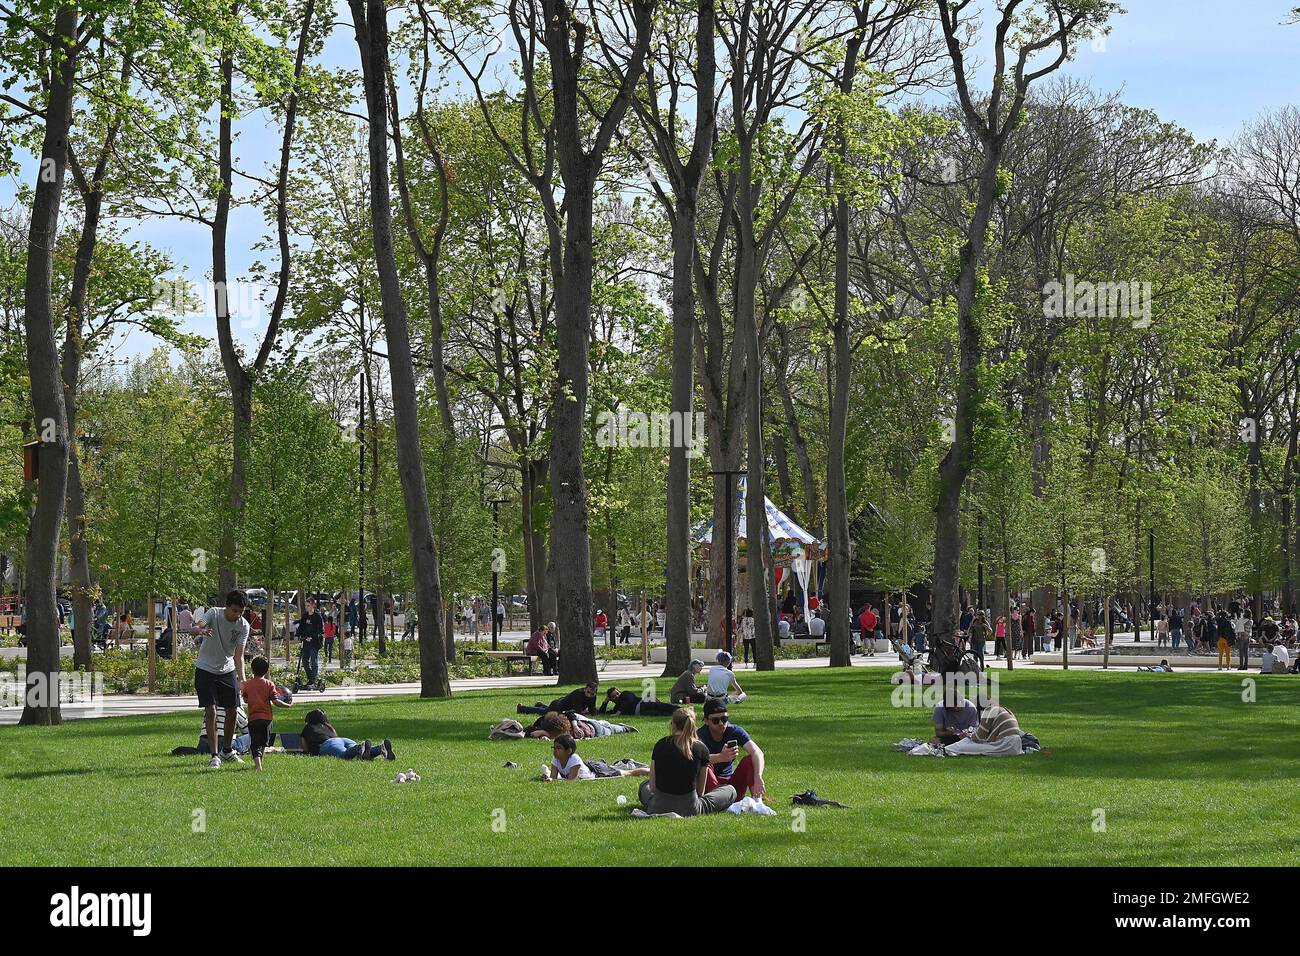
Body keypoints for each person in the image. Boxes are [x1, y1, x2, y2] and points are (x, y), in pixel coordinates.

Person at [191, 590, 251, 769]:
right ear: (226, 606)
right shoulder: (214, 613)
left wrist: (242, 680)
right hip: (205, 669)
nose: (237, 615)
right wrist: (200, 630)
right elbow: (196, 626)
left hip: (227, 670)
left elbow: (239, 655)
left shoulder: (243, 625)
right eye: (234, 610)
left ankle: (227, 751)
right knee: (211, 711)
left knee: (233, 710)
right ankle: (214, 755)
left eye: (240, 612)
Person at [636, 709, 736, 816]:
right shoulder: (702, 749)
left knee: (644, 786)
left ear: (673, 724)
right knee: (730, 790)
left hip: (658, 807)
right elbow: (700, 792)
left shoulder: (660, 744)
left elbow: (652, 787)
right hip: (690, 808)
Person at [699, 699, 766, 800]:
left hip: (731, 787)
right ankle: (718, 801)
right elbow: (694, 760)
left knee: (749, 760)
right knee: (705, 765)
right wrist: (720, 757)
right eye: (716, 720)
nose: (721, 723)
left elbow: (757, 752)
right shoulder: (699, 736)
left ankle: (757, 801)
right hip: (710, 789)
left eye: (724, 719)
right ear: (706, 721)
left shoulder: (734, 731)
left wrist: (758, 776)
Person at [241, 655, 292, 770]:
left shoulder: (248, 684)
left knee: (255, 743)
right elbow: (275, 701)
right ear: (267, 670)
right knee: (264, 742)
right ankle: (260, 763)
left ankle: (258, 765)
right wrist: (287, 705)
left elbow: (245, 699)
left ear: (252, 670)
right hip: (266, 719)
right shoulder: (269, 684)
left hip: (253, 718)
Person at [301, 707, 394, 760]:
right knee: (360, 753)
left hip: (328, 744)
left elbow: (305, 747)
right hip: (343, 740)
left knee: (344, 755)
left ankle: (359, 748)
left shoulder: (308, 727)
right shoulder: (329, 726)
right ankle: (380, 748)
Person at [517, 681, 598, 715]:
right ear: (585, 689)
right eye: (588, 692)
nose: (590, 695)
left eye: (592, 694)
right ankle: (522, 709)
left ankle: (540, 705)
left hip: (562, 705)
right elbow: (578, 711)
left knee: (546, 710)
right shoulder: (578, 694)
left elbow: (592, 709)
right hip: (558, 705)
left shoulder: (593, 697)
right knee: (544, 712)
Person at [598, 686, 678, 717]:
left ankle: (682, 710)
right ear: (611, 699)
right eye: (613, 696)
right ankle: (678, 716)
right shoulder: (617, 707)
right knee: (660, 713)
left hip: (644, 703)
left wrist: (618, 713)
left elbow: (629, 701)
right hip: (641, 712)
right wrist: (606, 701)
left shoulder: (625, 694)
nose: (617, 696)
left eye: (617, 693)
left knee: (664, 707)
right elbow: (602, 713)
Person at [297, 598, 324, 686]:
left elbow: (320, 630)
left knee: (313, 661)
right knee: (304, 661)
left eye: (308, 605)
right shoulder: (305, 616)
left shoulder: (317, 616)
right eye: (305, 605)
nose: (306, 607)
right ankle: (310, 678)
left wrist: (313, 637)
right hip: (306, 641)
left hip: (314, 642)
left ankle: (313, 680)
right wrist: (299, 635)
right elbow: (301, 627)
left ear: (313, 605)